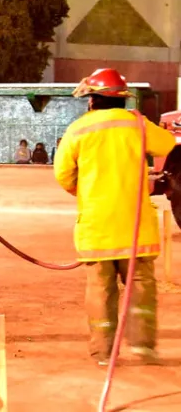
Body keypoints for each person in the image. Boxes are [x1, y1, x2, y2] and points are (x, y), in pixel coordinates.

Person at [54, 68, 175, 366]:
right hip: (136, 229)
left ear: (93, 100)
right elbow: (168, 144)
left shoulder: (78, 130)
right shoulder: (138, 124)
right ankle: (144, 347)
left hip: (97, 228)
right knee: (142, 289)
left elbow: (63, 175)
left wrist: (84, 192)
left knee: (100, 291)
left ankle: (103, 353)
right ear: (122, 99)